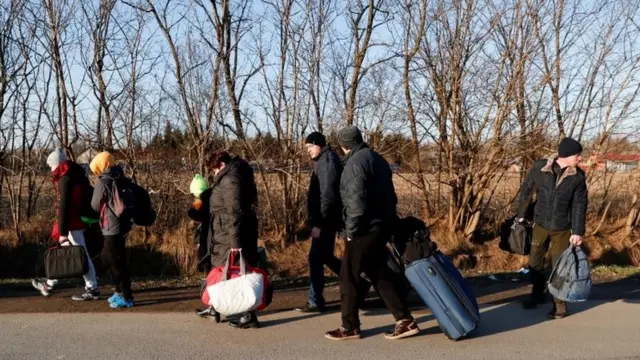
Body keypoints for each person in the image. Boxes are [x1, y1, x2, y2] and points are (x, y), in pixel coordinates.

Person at [325, 126, 419, 341]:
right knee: (377, 272)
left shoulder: (354, 164)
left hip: (364, 229)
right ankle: (405, 320)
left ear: (343, 145)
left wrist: (351, 232)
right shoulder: (376, 158)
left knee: (348, 276)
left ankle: (349, 327)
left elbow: (356, 204)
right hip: (382, 225)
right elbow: (390, 196)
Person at [516, 137, 588, 319]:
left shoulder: (578, 177)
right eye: (577, 155)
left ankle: (559, 304)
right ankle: (537, 294)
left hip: (562, 228)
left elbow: (580, 205)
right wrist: (521, 214)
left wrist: (578, 231)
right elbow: (527, 190)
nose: (580, 159)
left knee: (560, 267)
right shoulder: (541, 167)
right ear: (566, 155)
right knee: (534, 262)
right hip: (539, 224)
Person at [32, 149, 100, 301]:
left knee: (79, 255)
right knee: (68, 254)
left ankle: (92, 287)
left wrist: (62, 232)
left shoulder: (65, 178)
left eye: (51, 166)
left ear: (57, 165)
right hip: (79, 219)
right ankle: (49, 284)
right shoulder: (77, 173)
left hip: (72, 222)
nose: (51, 170)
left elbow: (64, 206)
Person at [206, 150, 260, 329]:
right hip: (226, 232)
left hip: (231, 234)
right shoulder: (232, 176)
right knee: (227, 272)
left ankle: (248, 314)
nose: (213, 173)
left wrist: (235, 244)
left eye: (214, 169)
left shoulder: (229, 179)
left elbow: (234, 212)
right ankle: (216, 306)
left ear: (221, 164)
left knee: (238, 274)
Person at [295, 132, 344, 313]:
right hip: (325, 220)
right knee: (324, 256)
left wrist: (319, 224)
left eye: (309, 147)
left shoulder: (327, 162)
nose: (308, 151)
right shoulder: (323, 161)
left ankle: (316, 301)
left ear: (318, 144)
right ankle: (356, 282)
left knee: (315, 258)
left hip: (325, 221)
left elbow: (328, 197)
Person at [90, 151, 135, 309]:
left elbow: (95, 205)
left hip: (111, 227)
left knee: (115, 262)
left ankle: (127, 296)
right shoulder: (120, 176)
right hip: (123, 224)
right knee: (112, 258)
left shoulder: (103, 181)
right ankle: (119, 291)